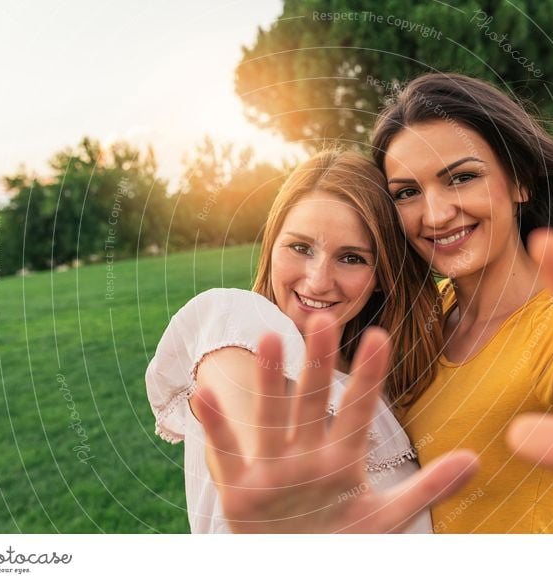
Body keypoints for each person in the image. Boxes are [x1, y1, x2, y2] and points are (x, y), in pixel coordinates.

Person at [192, 72, 553, 532]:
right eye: (406, 192)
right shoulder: (424, 311)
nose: (436, 214)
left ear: (520, 182)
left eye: (461, 177)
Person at [145, 150, 478, 533]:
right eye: (300, 248)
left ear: (383, 274)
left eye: (351, 258)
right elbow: (241, 400)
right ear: (271, 245)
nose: (318, 280)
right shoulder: (238, 326)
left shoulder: (385, 386)